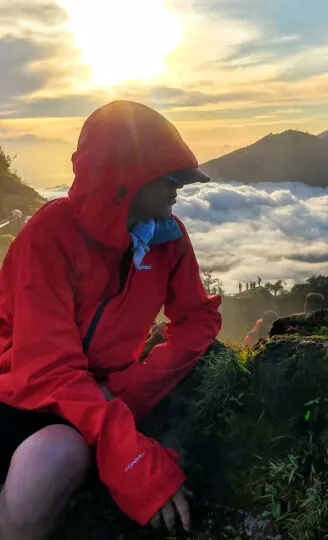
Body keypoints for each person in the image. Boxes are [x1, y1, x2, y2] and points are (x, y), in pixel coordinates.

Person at [0, 100, 222, 540]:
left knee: (59, 454)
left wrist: (134, 385)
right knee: (54, 458)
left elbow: (198, 317)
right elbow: (47, 371)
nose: (179, 189)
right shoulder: (50, 235)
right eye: (169, 177)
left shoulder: (166, 237)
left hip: (92, 397)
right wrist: (137, 464)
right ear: (125, 179)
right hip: (16, 390)